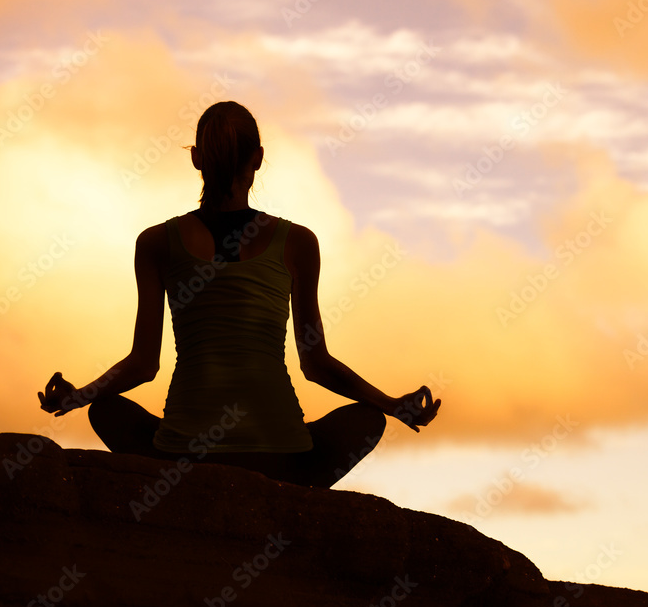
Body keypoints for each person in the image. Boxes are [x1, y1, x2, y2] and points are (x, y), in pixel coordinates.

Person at [37, 100, 440, 488]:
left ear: (196, 158)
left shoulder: (156, 242)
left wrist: (79, 396)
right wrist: (390, 403)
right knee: (368, 420)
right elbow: (315, 364)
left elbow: (143, 365)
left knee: (106, 409)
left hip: (183, 455)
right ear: (259, 158)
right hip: (282, 458)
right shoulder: (296, 243)